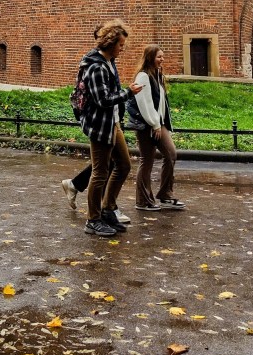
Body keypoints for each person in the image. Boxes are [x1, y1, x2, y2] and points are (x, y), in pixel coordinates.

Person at [78, 20, 142, 237]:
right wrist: (128, 93)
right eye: (120, 45)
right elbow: (102, 99)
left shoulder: (109, 61)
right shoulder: (95, 66)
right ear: (110, 42)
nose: (122, 49)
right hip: (100, 125)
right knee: (99, 172)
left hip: (112, 123)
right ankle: (92, 219)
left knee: (123, 165)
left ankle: (108, 209)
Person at [128, 45, 184, 211]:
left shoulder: (157, 75)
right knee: (147, 160)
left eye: (163, 56)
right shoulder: (143, 76)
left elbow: (159, 103)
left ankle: (165, 195)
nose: (162, 59)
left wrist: (161, 123)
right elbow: (144, 103)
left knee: (171, 154)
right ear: (150, 57)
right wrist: (155, 124)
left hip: (157, 124)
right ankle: (143, 200)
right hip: (147, 125)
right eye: (159, 57)